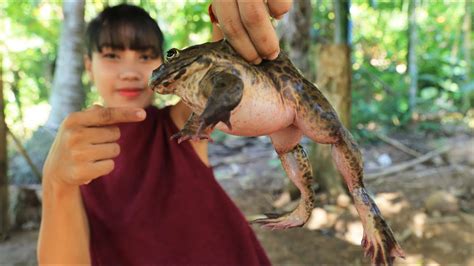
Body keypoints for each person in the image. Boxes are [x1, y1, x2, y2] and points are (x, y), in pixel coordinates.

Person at [38, 2, 291, 264]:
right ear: (88, 65)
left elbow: (224, 58)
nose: (130, 72)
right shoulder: (74, 156)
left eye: (145, 56)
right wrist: (56, 183)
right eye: (112, 55)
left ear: (163, 63)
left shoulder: (180, 123)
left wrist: (225, 12)